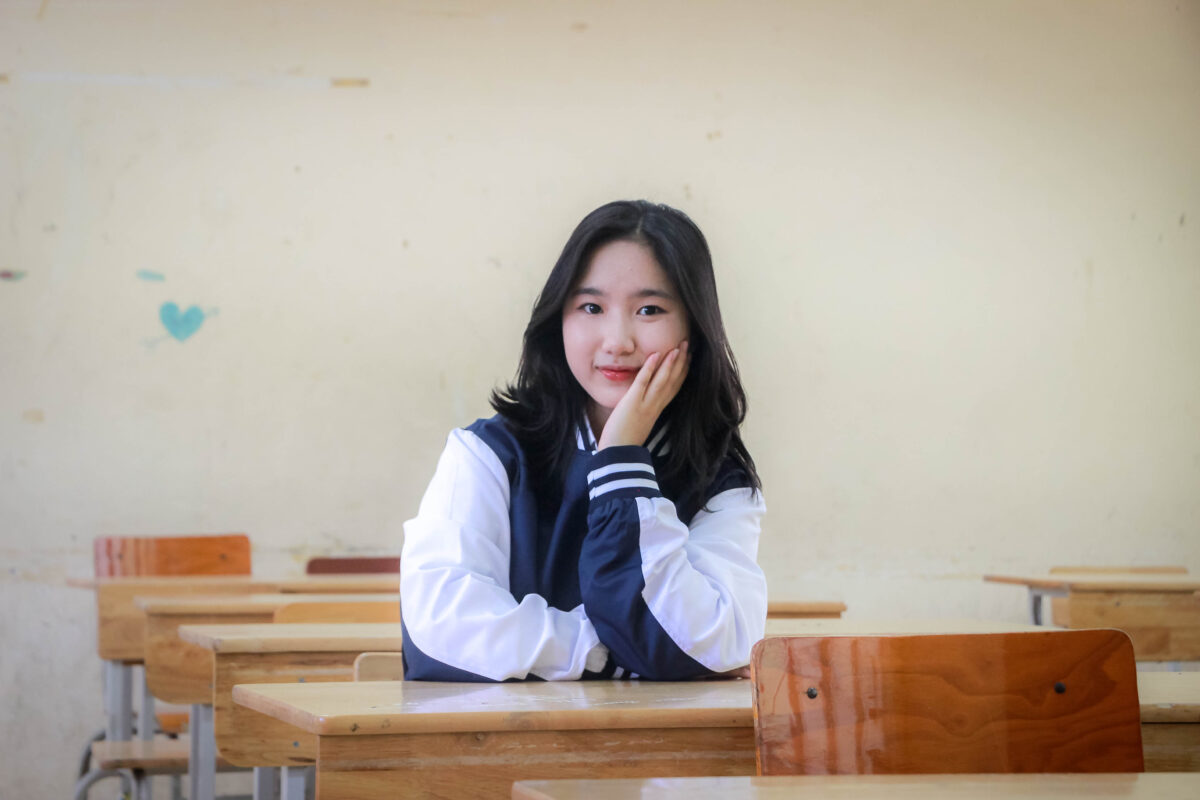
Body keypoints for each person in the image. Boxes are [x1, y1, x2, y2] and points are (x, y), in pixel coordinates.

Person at [400, 199, 766, 681]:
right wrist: (606, 653)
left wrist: (621, 462)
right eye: (591, 307)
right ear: (559, 320)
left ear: (694, 329)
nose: (617, 341)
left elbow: (707, 643)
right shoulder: (488, 454)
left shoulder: (721, 480)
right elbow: (442, 624)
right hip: (499, 729)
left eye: (650, 310)